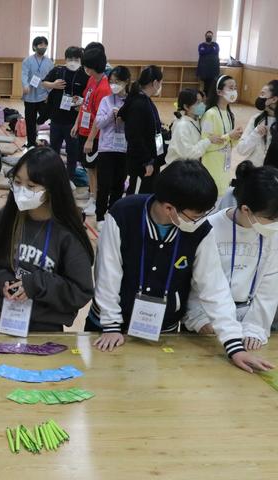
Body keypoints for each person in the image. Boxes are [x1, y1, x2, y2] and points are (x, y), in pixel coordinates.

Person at [90, 160, 273, 374]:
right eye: (196, 215)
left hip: (161, 330)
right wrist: (110, 325)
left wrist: (234, 345)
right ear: (169, 208)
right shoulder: (123, 214)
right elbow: (107, 273)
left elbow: (214, 287)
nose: (201, 220)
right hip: (108, 328)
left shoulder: (200, 230)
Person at [0, 147, 94, 331]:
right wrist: (2, 281)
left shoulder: (67, 233)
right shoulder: (4, 219)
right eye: (18, 182)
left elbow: (80, 290)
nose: (22, 191)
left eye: (31, 186)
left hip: (45, 329)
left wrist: (35, 285)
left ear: (52, 188)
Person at [184, 161, 278, 350]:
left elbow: (269, 286)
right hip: (207, 318)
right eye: (271, 219)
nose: (275, 224)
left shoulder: (272, 235)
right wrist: (198, 318)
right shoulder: (209, 228)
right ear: (246, 210)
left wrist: (255, 327)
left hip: (248, 319)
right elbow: (196, 281)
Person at [72, 47, 110, 215]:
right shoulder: (92, 80)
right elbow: (85, 105)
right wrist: (76, 123)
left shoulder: (103, 88)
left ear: (93, 66)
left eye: (87, 66)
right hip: (84, 129)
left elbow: (99, 118)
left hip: (94, 135)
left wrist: (90, 139)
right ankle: (91, 195)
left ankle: (95, 201)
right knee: (88, 168)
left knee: (93, 169)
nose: (84, 69)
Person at [93, 66, 132, 230]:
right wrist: (111, 115)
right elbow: (98, 123)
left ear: (126, 82)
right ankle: (100, 215)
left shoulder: (131, 101)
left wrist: (125, 119)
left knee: (119, 184)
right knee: (104, 183)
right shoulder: (106, 101)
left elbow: (135, 126)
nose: (114, 85)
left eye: (118, 82)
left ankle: (113, 214)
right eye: (111, 82)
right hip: (107, 148)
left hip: (123, 148)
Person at [118, 65, 165, 195]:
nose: (161, 85)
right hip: (142, 163)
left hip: (150, 160)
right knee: (138, 197)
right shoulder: (138, 103)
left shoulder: (145, 100)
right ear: (155, 83)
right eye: (161, 82)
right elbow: (134, 136)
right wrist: (147, 161)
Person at [43, 46, 89, 178]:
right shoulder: (58, 70)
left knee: (72, 151)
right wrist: (53, 85)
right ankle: (53, 175)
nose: (72, 62)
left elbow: (88, 97)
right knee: (54, 150)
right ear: (65, 59)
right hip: (56, 118)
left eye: (76, 59)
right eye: (70, 59)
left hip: (73, 121)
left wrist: (81, 101)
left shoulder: (85, 75)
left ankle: (70, 177)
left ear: (81, 60)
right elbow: (43, 83)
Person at [201, 75, 243, 196]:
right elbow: (206, 145)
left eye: (235, 88)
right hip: (212, 164)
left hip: (224, 164)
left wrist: (236, 137)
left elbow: (229, 142)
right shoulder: (210, 114)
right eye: (230, 87)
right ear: (219, 91)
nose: (234, 91)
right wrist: (229, 136)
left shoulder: (229, 114)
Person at [166, 89, 222, 164]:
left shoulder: (197, 120)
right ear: (186, 106)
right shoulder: (182, 126)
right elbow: (188, 154)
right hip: (180, 170)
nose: (202, 105)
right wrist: (208, 140)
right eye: (198, 102)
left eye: (202, 101)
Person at [22, 36, 55, 149]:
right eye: (41, 45)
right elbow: (24, 74)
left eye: (45, 45)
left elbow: (51, 78)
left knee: (47, 113)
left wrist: (50, 93)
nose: (43, 47)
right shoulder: (28, 60)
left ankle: (39, 123)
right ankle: (31, 143)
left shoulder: (50, 62)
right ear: (35, 47)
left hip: (44, 95)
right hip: (30, 95)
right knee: (29, 120)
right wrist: (25, 85)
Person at [236, 80, 278, 166]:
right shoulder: (256, 119)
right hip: (255, 173)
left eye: (263, 94)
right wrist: (255, 134)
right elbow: (241, 149)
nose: (259, 97)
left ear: (274, 99)